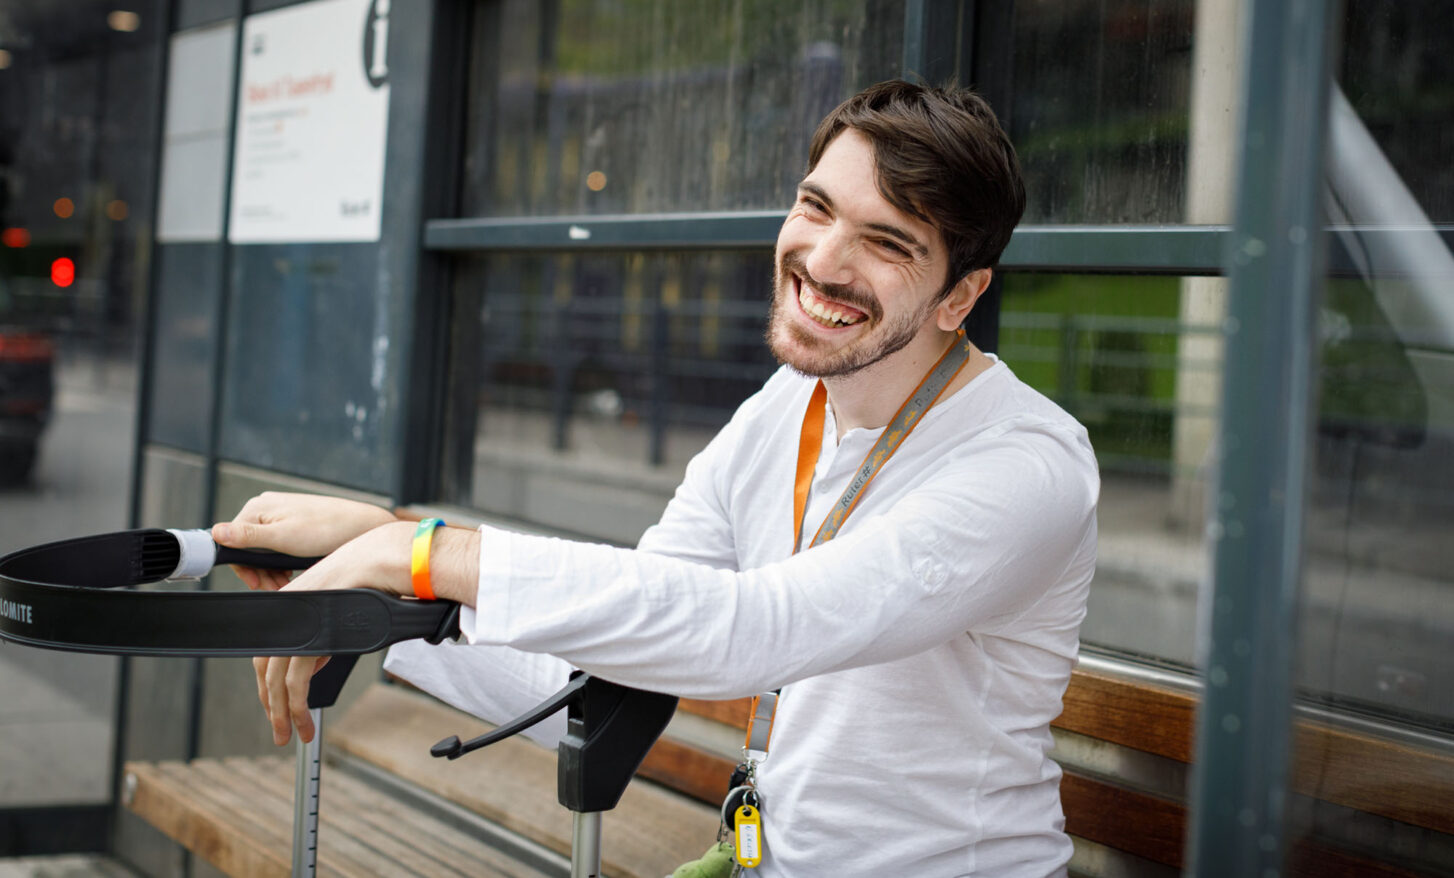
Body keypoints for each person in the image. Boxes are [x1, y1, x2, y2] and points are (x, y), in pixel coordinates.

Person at [214, 80, 1099, 877]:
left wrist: (417, 551)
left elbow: (754, 629)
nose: (825, 260)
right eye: (815, 207)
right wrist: (370, 586)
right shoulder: (786, 405)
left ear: (959, 296)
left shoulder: (1025, 466)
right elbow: (601, 662)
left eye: (886, 243)